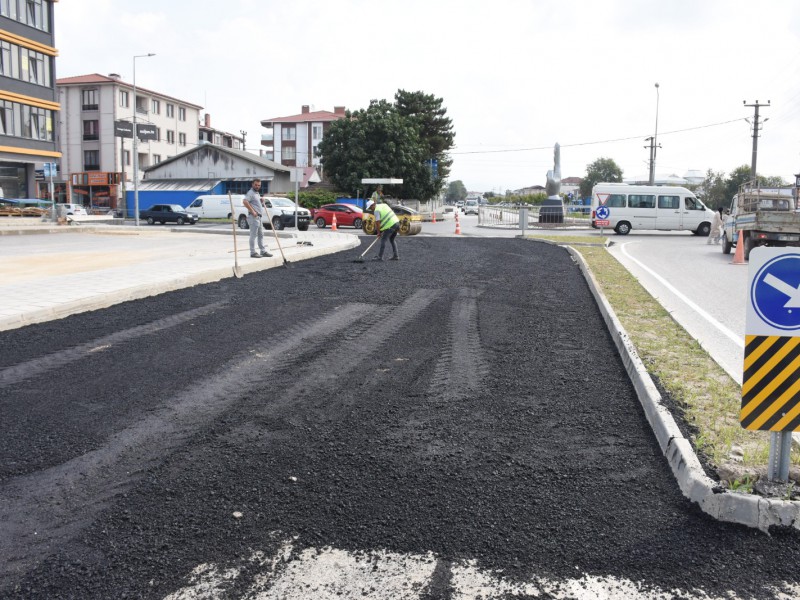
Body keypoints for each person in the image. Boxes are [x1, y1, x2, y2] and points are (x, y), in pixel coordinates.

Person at [243, 179, 272, 258]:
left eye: (259, 185)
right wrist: (252, 211)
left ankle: (262, 251)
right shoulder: (250, 193)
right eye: (256, 185)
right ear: (252, 184)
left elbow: (254, 202)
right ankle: (252, 252)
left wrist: (261, 200)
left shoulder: (256, 193)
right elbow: (245, 202)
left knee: (261, 234)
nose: (257, 186)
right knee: (253, 235)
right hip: (253, 217)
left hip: (259, 217)